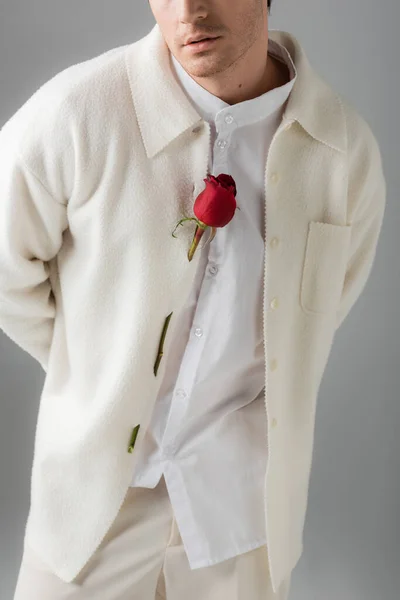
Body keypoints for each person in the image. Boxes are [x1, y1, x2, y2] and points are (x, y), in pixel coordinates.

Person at [1, 1, 386, 599]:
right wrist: (97, 372)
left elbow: (322, 313)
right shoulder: (77, 113)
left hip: (240, 517)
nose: (190, 10)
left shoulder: (344, 152)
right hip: (90, 512)